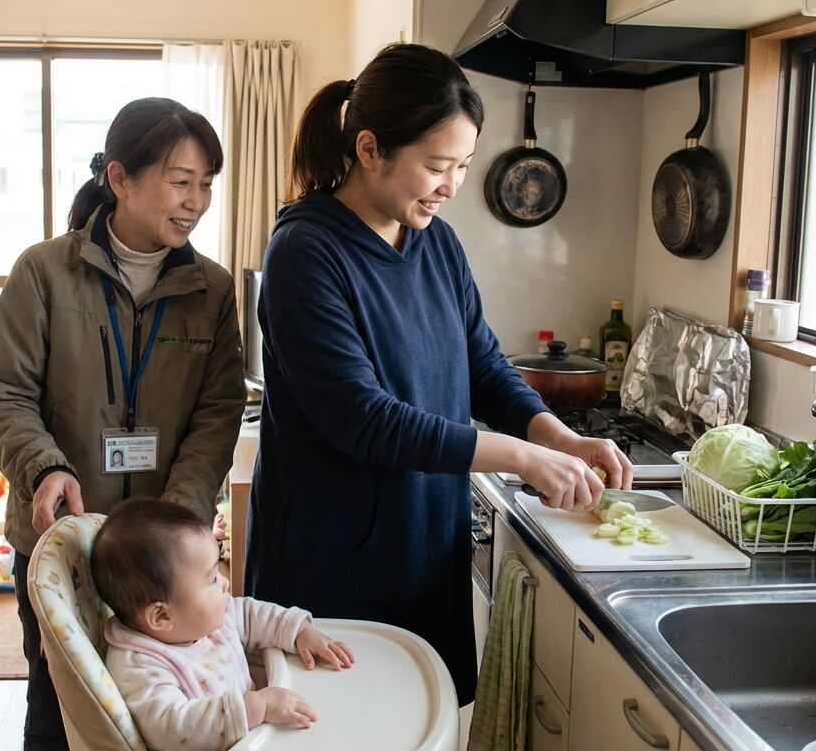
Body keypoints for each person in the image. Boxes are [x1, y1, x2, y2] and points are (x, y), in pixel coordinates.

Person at [243, 44, 633, 706]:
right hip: (332, 562)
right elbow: (361, 419)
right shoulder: (305, 253)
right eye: (437, 165)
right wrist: (519, 456)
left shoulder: (435, 242)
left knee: (424, 723)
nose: (452, 186)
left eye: (463, 166)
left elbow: (482, 364)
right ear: (370, 149)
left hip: (422, 548)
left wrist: (558, 438)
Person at [0, 97, 246, 750]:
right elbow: (2, 392)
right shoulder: (43, 272)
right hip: (61, 538)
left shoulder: (211, 290)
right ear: (120, 179)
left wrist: (175, 523)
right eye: (182, 181)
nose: (197, 200)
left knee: (166, 702)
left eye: (207, 184)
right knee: (58, 703)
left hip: (163, 559)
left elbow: (218, 411)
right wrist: (46, 466)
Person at [92, 499, 354, 751]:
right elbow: (173, 730)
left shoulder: (202, 618)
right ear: (161, 617)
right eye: (211, 579)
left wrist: (299, 632)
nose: (225, 583)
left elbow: (252, 615)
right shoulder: (140, 667)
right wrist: (256, 707)